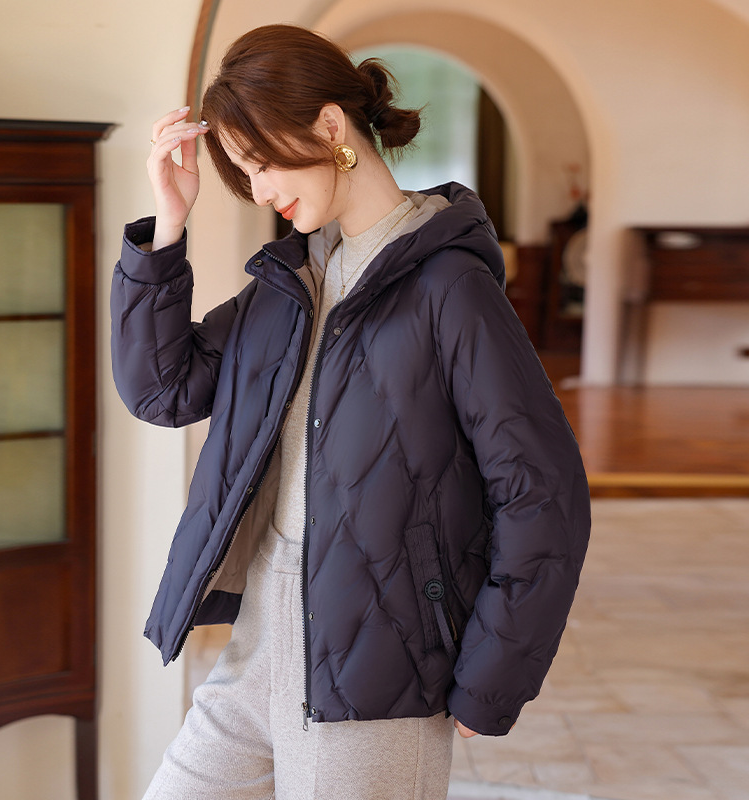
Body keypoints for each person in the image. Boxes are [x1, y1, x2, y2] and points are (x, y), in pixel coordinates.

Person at [111, 23, 590, 800]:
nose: (259, 192)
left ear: (331, 126)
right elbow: (162, 390)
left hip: (378, 671)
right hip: (257, 649)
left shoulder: (449, 288)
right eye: (243, 174)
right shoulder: (291, 284)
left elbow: (543, 491)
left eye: (261, 164)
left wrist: (496, 672)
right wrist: (167, 228)